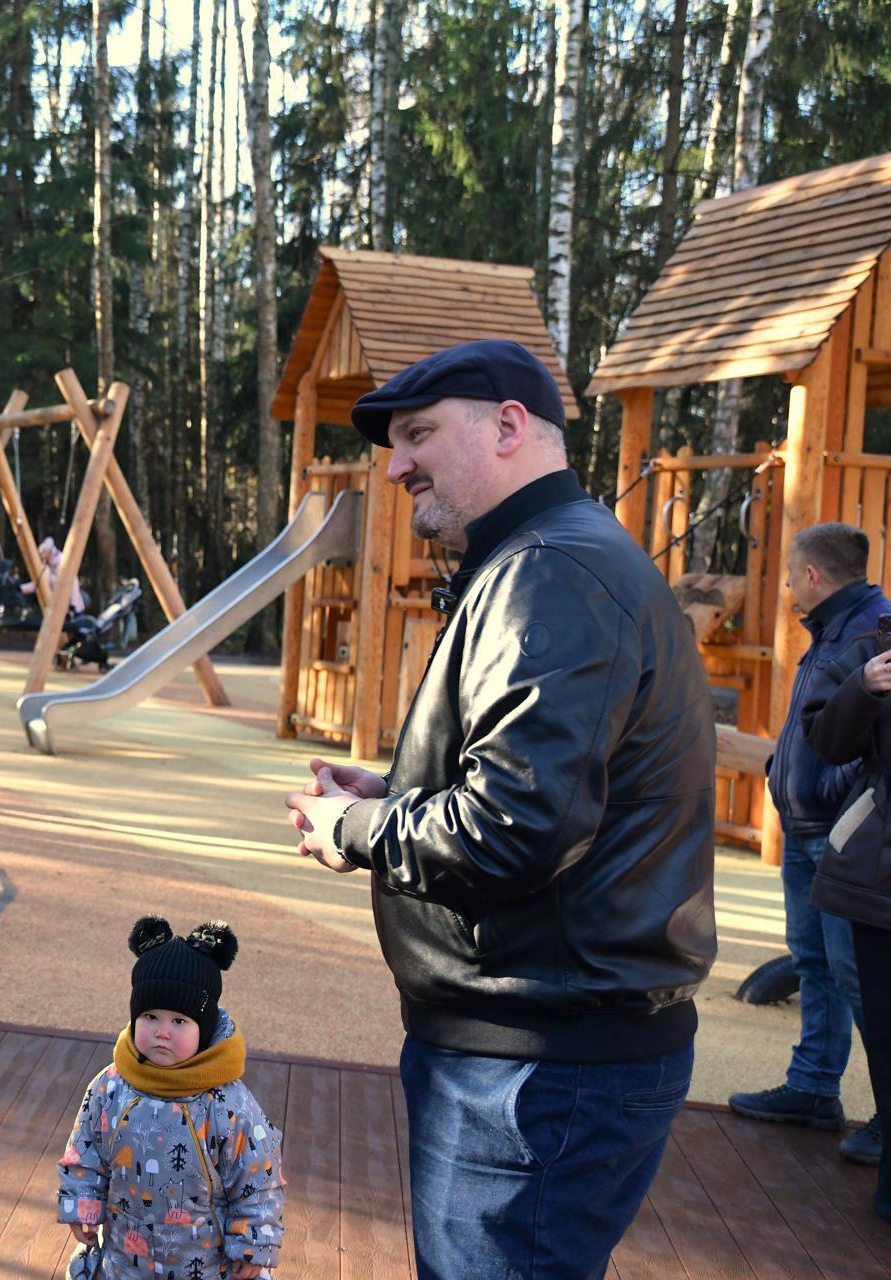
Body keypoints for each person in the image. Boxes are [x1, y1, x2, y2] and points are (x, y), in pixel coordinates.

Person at [281, 340, 717, 1279]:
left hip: (537, 1063)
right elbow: (548, 791)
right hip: (538, 1041)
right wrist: (399, 794)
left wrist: (351, 831)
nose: (395, 466)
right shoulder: (550, 557)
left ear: (511, 426)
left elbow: (514, 828)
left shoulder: (549, 571)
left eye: (419, 434)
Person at [731, 522, 888, 1163]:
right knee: (815, 962)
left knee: (861, 976)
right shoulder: (829, 628)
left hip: (841, 831)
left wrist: (839, 798)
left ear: (814, 576)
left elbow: (863, 741)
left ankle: (885, 1115)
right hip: (807, 824)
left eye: (793, 574)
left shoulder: (869, 630)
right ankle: (815, 1087)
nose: (790, 584)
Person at [57, 917, 283, 1280]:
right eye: (149, 1016)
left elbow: (257, 1179)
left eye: (180, 1021)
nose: (162, 1032)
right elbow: (84, 1154)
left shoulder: (226, 1104)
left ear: (203, 1030)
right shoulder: (111, 1087)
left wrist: (254, 1241)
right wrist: (82, 1205)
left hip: (205, 1262)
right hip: (126, 1256)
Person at [802, 623, 891, 1220]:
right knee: (885, 1031)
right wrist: (864, 686)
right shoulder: (870, 649)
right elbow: (825, 741)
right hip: (879, 875)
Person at [24, 535, 89, 614]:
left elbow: (74, 586)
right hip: (59, 609)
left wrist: (73, 606)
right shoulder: (48, 568)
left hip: (74, 609)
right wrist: (20, 588)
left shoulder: (64, 563)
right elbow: (38, 584)